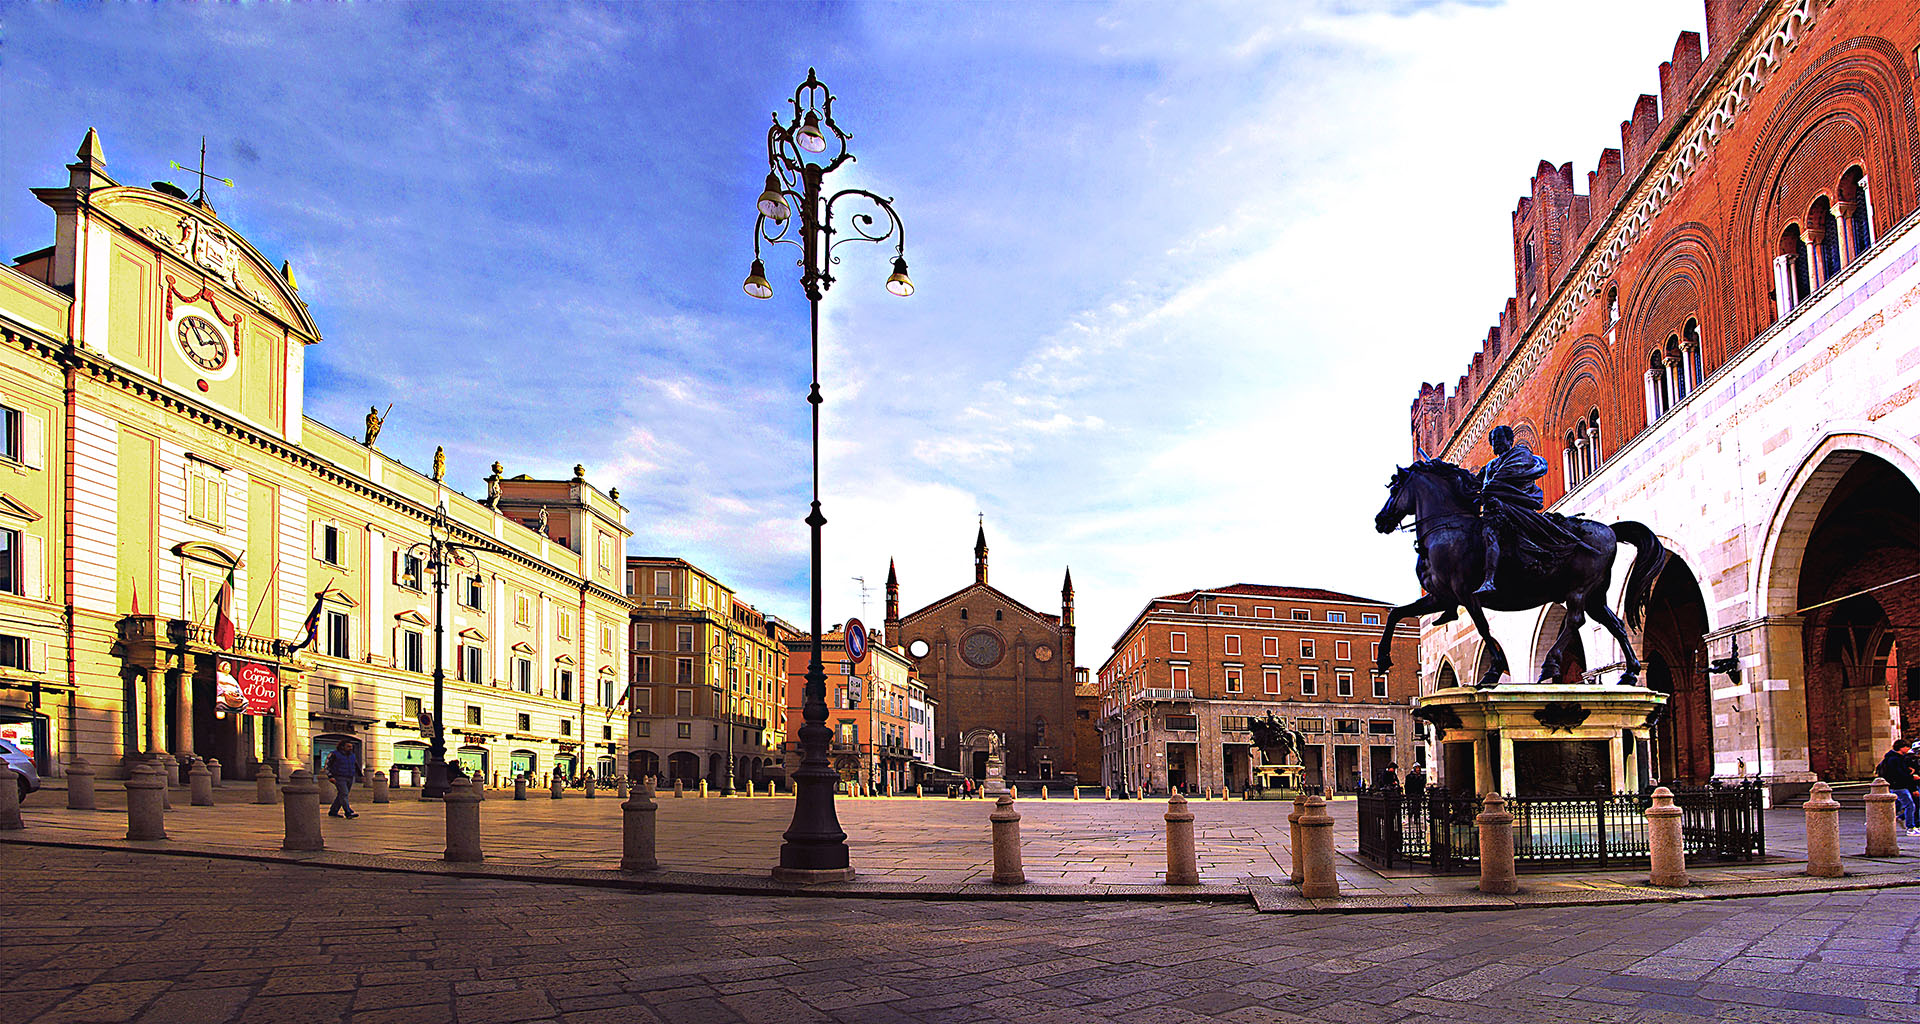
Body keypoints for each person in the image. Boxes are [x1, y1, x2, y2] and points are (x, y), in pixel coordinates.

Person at [1474, 424, 1584, 596]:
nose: (1497, 443)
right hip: (1493, 508)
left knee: (1490, 533)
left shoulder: (1519, 454)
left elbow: (1503, 478)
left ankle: (1489, 580)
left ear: (1509, 440)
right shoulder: (1490, 466)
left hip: (1512, 507)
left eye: (1500, 439)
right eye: (1494, 440)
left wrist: (1488, 490)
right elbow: (1475, 483)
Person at [1881, 740, 1920, 834]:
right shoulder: (1895, 759)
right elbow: (1898, 773)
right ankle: (1910, 827)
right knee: (1909, 805)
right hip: (1899, 785)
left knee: (1899, 805)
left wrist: (1908, 772)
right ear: (1901, 747)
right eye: (1907, 747)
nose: (1908, 749)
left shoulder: (1896, 758)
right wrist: (1911, 777)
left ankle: (1898, 819)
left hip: (1899, 785)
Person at [325, 739, 360, 819]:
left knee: (341, 794)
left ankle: (333, 811)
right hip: (339, 777)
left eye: (351, 746)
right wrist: (330, 776)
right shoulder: (334, 754)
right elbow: (327, 765)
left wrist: (360, 776)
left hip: (350, 777)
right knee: (344, 793)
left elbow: (356, 765)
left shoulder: (352, 755)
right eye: (348, 746)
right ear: (342, 746)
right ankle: (348, 812)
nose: (350, 748)